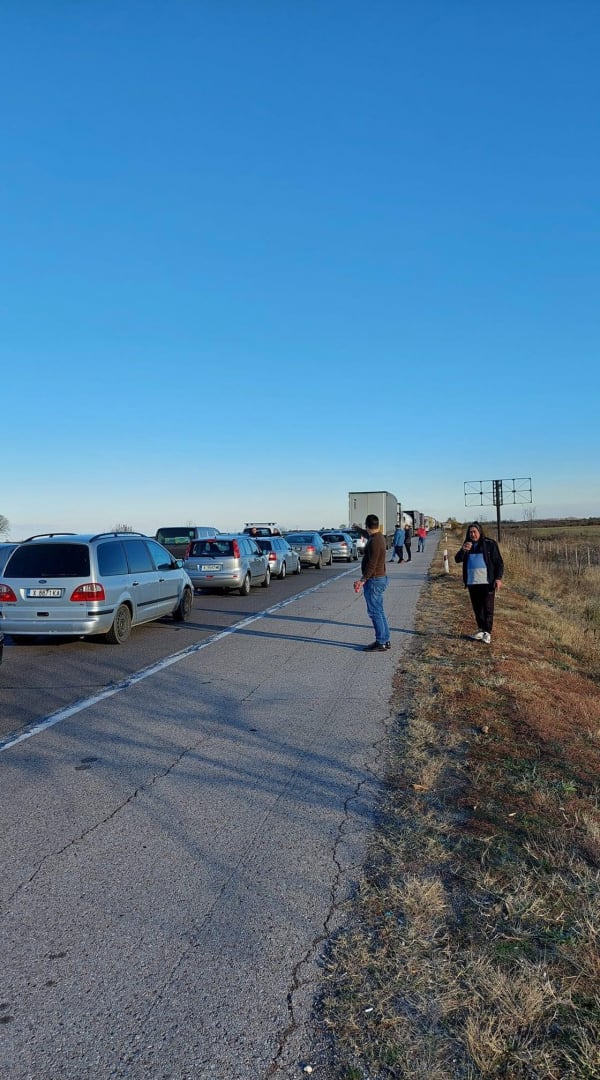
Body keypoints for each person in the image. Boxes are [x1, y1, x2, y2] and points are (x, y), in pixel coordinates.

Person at [454, 521, 504, 644]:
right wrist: (463, 550)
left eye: (474, 532)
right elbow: (457, 559)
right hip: (472, 582)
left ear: (479, 532)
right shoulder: (467, 545)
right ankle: (481, 629)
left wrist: (498, 578)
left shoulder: (489, 544)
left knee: (488, 607)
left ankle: (487, 632)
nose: (472, 534)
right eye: (470, 532)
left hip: (487, 582)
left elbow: (499, 562)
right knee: (477, 608)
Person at [353, 514, 390, 651]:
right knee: (379, 611)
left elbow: (372, 564)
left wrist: (363, 580)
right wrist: (357, 529)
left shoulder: (374, 542)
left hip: (374, 580)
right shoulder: (379, 537)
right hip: (379, 578)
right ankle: (385, 640)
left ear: (367, 526)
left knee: (374, 612)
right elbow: (367, 534)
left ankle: (380, 642)